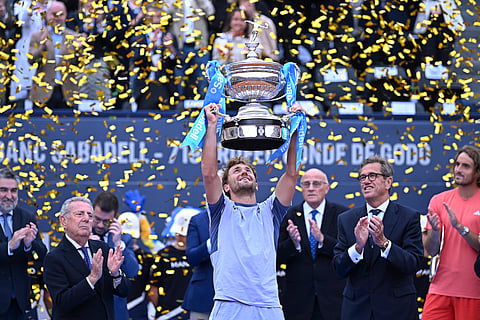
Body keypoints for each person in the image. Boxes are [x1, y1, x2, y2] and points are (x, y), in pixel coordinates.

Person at [202, 102, 302, 319]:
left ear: (257, 184)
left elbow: (292, 174)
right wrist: (211, 126)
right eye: (237, 171)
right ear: (225, 186)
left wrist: (295, 130)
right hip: (229, 303)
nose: (244, 172)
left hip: (268, 305)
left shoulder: (271, 210)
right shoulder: (221, 209)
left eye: (248, 171)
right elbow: (210, 174)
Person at [333, 155, 423, 320]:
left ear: (388, 182)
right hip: (357, 311)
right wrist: (357, 248)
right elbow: (338, 269)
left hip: (397, 311)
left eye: (372, 176)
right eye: (362, 177)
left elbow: (414, 264)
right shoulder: (346, 219)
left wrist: (384, 243)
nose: (366, 181)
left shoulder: (408, 217)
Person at [277, 168, 348, 320]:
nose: (310, 188)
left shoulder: (341, 215)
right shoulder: (288, 215)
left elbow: (348, 254)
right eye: (306, 184)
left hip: (333, 301)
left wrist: (323, 240)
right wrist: (294, 243)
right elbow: (276, 258)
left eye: (316, 184)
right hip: (297, 302)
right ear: (300, 188)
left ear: (327, 188)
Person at [43, 196, 129, 320]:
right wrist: (92, 279)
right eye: (79, 214)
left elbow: (124, 291)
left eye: (89, 215)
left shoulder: (102, 249)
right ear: (63, 221)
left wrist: (116, 275)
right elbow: (62, 303)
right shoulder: (54, 258)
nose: (86, 219)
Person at [421, 145, 480, 319]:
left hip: (474, 292)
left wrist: (461, 228)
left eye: (465, 166)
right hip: (440, 289)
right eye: (457, 164)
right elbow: (431, 251)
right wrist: (435, 232)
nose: (458, 170)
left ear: (477, 173)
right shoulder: (439, 201)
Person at [0, 167, 47, 320]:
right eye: (3, 190)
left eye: (13, 190)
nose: (9, 196)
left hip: (21, 303)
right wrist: (9, 246)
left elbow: (42, 255)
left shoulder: (27, 217)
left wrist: (29, 245)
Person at [92, 191, 139, 320]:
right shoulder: (81, 235)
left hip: (115, 312)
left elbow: (132, 272)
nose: (101, 225)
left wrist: (118, 243)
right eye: (97, 219)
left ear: (115, 219)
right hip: (88, 309)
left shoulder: (124, 239)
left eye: (106, 221)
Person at [28, 1, 83, 109]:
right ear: (47, 15)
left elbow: (80, 64)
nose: (57, 18)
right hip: (42, 94)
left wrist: (80, 51)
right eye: (54, 14)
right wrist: (42, 48)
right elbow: (30, 60)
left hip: (68, 94)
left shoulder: (75, 37)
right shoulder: (37, 36)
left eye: (61, 14)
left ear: (66, 15)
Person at [129, 3, 181, 110]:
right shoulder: (138, 38)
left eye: (158, 16)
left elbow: (177, 64)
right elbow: (136, 61)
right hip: (145, 87)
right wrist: (150, 48)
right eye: (151, 17)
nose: (155, 20)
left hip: (165, 87)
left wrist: (171, 49)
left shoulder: (169, 37)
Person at [147, 209, 196, 320]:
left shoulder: (199, 254)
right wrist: (152, 310)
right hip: (166, 314)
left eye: (183, 234)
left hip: (193, 312)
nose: (179, 236)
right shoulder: (163, 254)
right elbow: (154, 286)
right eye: (177, 233)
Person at [118, 211, 154, 320]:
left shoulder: (147, 257)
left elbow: (150, 287)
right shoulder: (110, 252)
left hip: (138, 306)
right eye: (125, 235)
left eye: (132, 236)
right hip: (117, 305)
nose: (129, 239)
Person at [182, 209, 214, 320]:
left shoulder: (239, 217)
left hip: (235, 294)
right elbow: (191, 258)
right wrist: (210, 244)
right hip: (204, 296)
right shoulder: (198, 220)